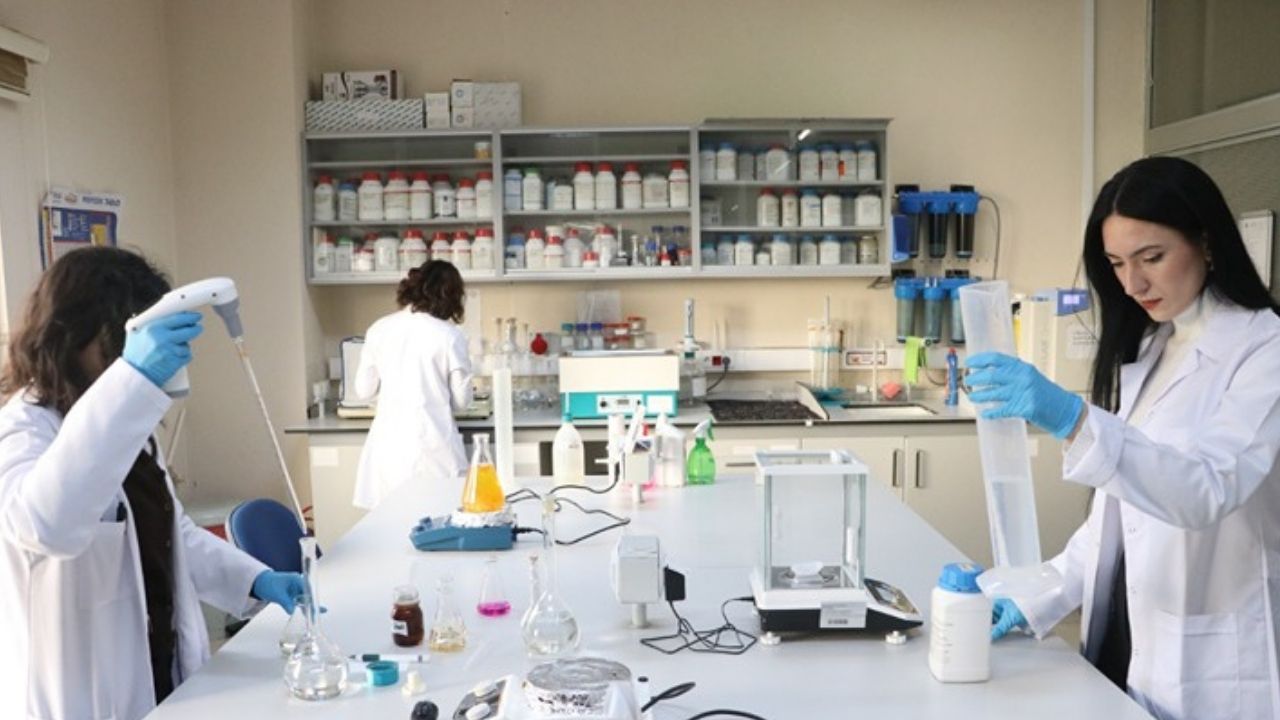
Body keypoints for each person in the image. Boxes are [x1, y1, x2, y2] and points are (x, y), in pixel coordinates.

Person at [966, 157, 1280, 720]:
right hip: (1128, 630)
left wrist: (1072, 419)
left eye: (1151, 258)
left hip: (1216, 658)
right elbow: (1120, 516)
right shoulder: (1157, 345)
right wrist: (1039, 592)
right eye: (1116, 264)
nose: (1133, 284)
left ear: (1207, 243)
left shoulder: (1265, 350)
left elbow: (1205, 490)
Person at [0, 247, 306, 720]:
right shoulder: (24, 428)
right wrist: (132, 380)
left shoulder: (123, 420)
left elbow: (172, 534)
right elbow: (47, 526)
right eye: (120, 338)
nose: (125, 354)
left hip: (158, 671)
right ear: (73, 333)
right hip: (80, 695)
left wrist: (255, 579)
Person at [353, 259, 473, 510]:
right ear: (451, 296)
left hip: (388, 450)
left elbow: (363, 391)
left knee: (391, 522)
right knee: (436, 519)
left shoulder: (379, 328)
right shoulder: (449, 335)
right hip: (434, 449)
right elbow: (462, 402)